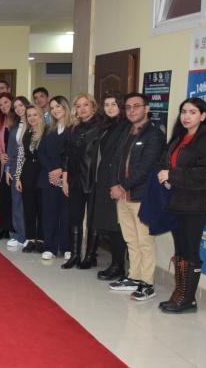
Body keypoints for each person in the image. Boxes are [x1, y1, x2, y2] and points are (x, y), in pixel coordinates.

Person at [157, 98, 206, 313]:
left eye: (192, 112)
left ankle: (187, 299)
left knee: (190, 250)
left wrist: (173, 175)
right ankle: (180, 294)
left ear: (203, 116)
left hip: (196, 205)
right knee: (181, 250)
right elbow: (167, 162)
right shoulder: (179, 137)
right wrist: (167, 178)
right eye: (184, 111)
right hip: (178, 202)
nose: (186, 116)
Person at [103, 93, 166, 301]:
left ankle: (147, 284)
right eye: (128, 107)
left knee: (144, 241)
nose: (131, 110)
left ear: (146, 109)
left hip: (141, 197)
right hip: (123, 197)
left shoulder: (154, 135)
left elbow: (146, 168)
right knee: (130, 239)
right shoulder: (126, 131)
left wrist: (122, 186)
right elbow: (115, 161)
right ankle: (134, 277)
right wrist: (114, 185)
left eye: (136, 106)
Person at [61, 93, 104, 269]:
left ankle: (90, 256)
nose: (82, 109)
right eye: (78, 106)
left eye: (85, 105)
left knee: (93, 219)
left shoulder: (102, 127)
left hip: (94, 179)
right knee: (74, 218)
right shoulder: (73, 128)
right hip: (75, 179)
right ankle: (75, 255)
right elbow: (66, 155)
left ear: (93, 106)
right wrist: (65, 179)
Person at [93, 91, 129, 280]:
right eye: (106, 104)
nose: (109, 108)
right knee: (106, 224)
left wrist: (118, 183)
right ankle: (115, 263)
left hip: (115, 180)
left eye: (113, 104)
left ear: (121, 106)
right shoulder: (106, 125)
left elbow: (121, 157)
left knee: (115, 226)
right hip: (103, 179)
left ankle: (118, 265)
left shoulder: (125, 126)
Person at [37, 96, 71, 260]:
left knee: (66, 214)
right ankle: (50, 247)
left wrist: (61, 170)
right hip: (49, 177)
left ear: (65, 107)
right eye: (52, 108)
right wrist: (52, 170)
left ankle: (66, 247)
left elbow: (73, 153)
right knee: (49, 213)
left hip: (67, 177)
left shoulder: (73, 128)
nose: (55, 110)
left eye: (58, 106)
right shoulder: (48, 129)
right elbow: (41, 152)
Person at [15, 105, 45, 253]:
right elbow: (21, 157)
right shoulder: (26, 134)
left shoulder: (46, 133)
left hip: (42, 173)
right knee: (29, 208)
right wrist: (17, 178)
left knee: (42, 208)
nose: (32, 118)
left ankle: (41, 239)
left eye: (35, 115)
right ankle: (31, 239)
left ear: (40, 116)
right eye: (29, 115)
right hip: (27, 173)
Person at [5, 96, 31, 248]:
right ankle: (19, 235)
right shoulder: (14, 127)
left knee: (29, 203)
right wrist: (8, 169)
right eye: (16, 107)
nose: (19, 109)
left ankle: (29, 235)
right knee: (16, 202)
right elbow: (10, 149)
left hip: (30, 168)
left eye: (21, 105)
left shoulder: (34, 124)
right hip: (14, 168)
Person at [0, 93, 14, 240]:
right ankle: (3, 228)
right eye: (0, 105)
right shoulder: (0, 122)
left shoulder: (19, 120)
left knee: (16, 198)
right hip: (4, 165)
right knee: (4, 197)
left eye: (6, 102)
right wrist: (0, 154)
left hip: (18, 164)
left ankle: (16, 228)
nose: (4, 106)